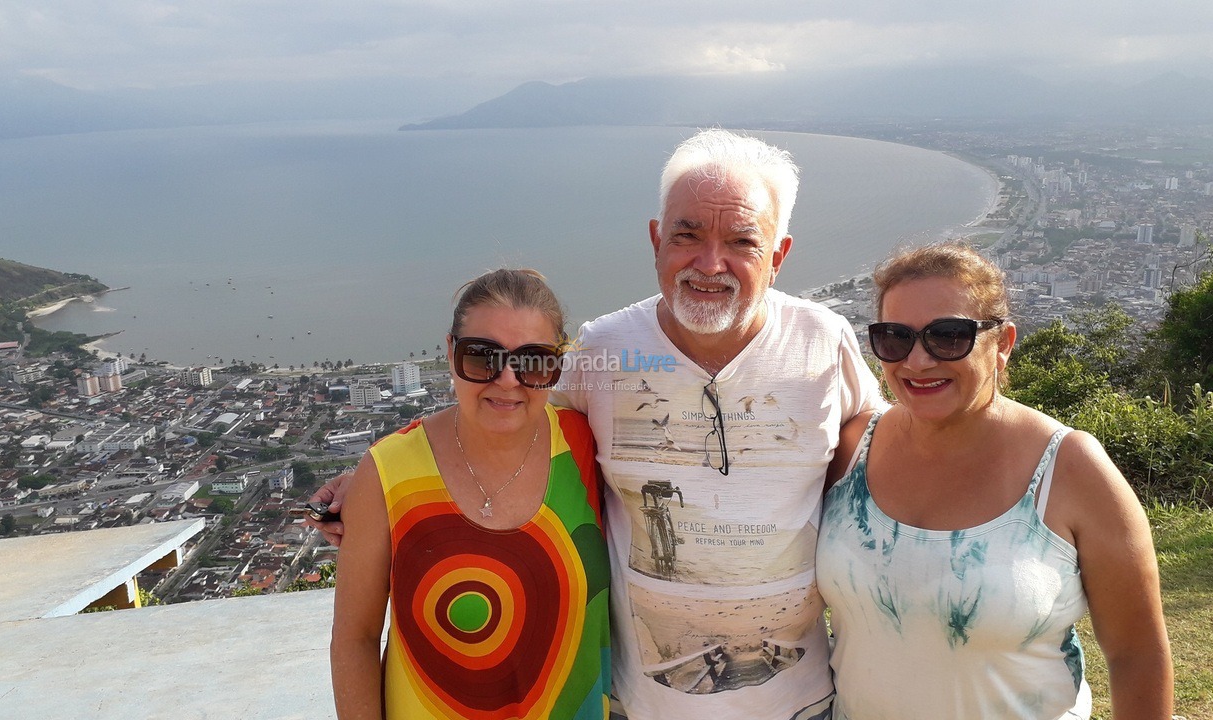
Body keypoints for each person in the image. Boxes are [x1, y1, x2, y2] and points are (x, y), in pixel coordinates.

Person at [314, 129, 883, 719]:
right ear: (657, 240)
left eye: (741, 241)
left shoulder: (824, 341)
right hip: (643, 705)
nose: (710, 263)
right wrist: (377, 474)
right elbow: (507, 401)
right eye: (687, 235)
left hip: (801, 703)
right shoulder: (605, 349)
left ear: (779, 255)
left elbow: (882, 441)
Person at [816, 241, 1172, 719]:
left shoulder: (1069, 469)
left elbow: (1137, 655)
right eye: (894, 337)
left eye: (948, 336)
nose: (917, 361)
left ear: (1002, 343)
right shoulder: (853, 449)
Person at [329, 268, 610, 720]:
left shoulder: (585, 447)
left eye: (533, 361)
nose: (507, 380)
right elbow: (354, 639)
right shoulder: (388, 472)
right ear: (450, 353)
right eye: (483, 358)